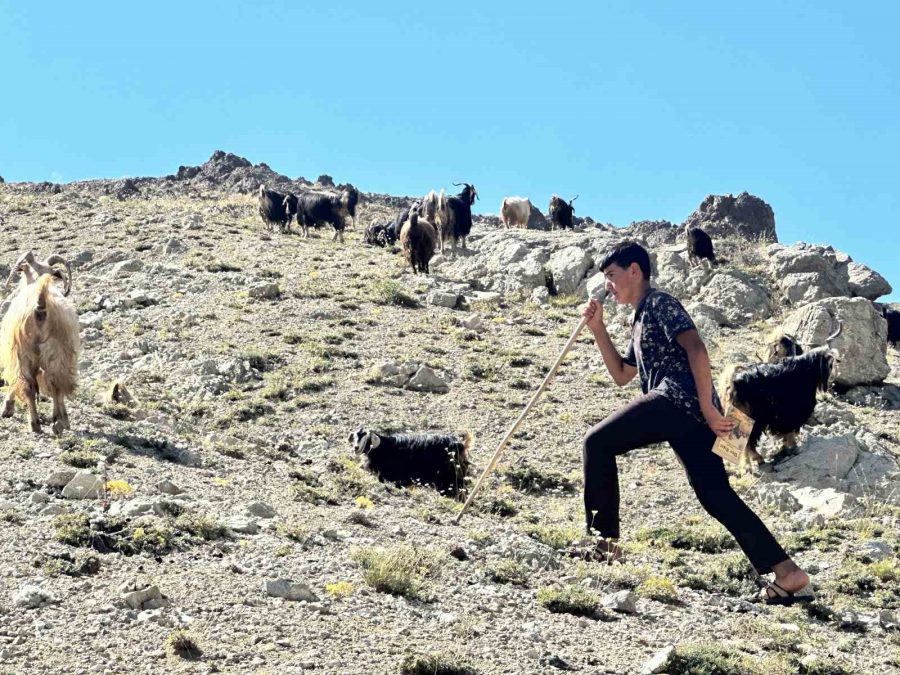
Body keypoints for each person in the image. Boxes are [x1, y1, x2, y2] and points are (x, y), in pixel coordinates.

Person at [580, 240, 810, 604]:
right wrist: (598, 330)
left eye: (611, 275)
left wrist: (707, 406)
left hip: (678, 401)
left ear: (635, 271)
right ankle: (787, 572)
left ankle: (603, 545)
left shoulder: (659, 303)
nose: (608, 284)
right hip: (689, 413)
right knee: (715, 494)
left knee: (597, 442)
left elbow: (697, 348)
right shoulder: (639, 318)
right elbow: (623, 374)